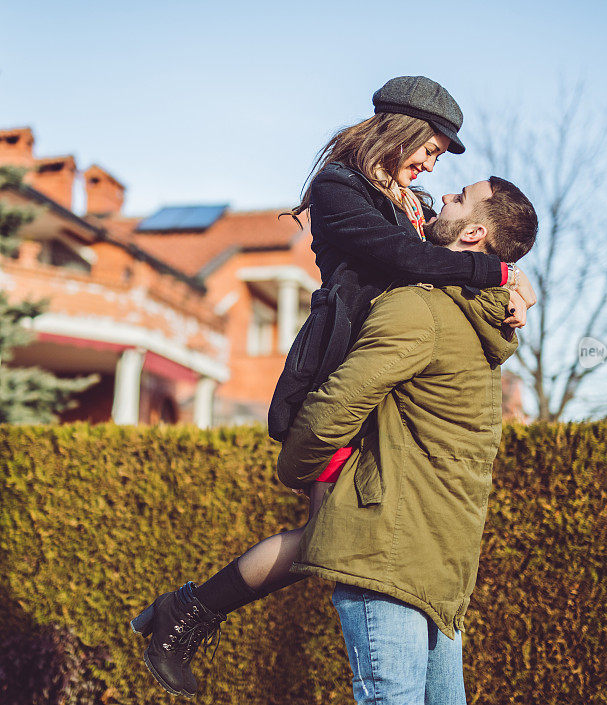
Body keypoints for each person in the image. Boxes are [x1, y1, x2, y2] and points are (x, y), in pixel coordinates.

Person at [130, 76, 535, 699]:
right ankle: (185, 615)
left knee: (321, 540)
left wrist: (512, 287)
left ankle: (184, 613)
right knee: (328, 538)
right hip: (339, 377)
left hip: (387, 389)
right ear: (400, 130)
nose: (433, 163)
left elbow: (459, 241)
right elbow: (414, 262)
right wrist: (500, 272)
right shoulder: (339, 191)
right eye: (431, 146)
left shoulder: (410, 200)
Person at [277, 176, 539, 703]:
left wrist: (293, 467)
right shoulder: (486, 325)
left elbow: (338, 404)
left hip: (387, 549)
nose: (443, 196)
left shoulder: (420, 311)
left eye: (459, 198)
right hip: (442, 554)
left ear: (473, 234)